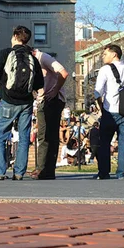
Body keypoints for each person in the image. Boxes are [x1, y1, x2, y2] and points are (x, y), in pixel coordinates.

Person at [0, 25, 44, 180]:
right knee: (24, 136)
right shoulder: (32, 57)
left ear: (14, 36)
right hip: (26, 102)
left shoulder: (6, 53)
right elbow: (39, 84)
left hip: (8, 100)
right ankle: (19, 172)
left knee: (1, 135)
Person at [93, 43, 124, 180]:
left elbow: (98, 91)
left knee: (104, 142)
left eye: (105, 54)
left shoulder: (105, 70)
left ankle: (104, 172)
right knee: (123, 142)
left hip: (110, 110)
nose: (103, 56)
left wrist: (101, 106)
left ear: (114, 54)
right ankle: (122, 173)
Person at [30, 49, 69, 180]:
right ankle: (46, 169)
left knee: (46, 135)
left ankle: (42, 169)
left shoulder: (43, 58)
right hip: (44, 100)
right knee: (47, 135)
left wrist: (54, 90)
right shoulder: (35, 61)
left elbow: (63, 73)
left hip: (52, 100)